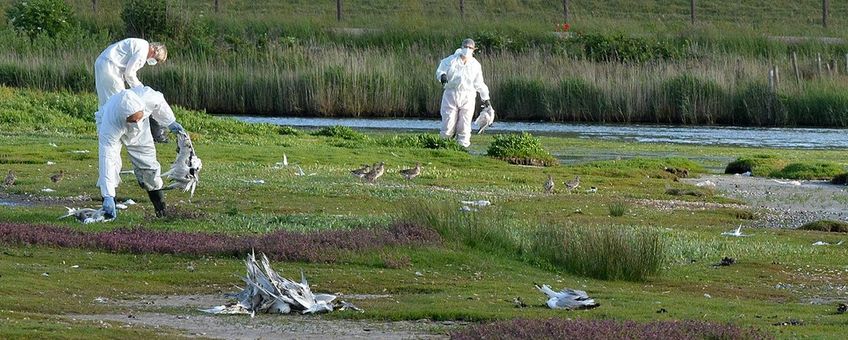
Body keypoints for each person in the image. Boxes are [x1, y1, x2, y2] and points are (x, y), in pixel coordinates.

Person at [96, 86, 185, 219]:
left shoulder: (147, 97)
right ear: (125, 117)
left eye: (138, 118)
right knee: (112, 166)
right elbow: (106, 157)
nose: (136, 123)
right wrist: (108, 194)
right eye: (133, 120)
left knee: (149, 166)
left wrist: (170, 121)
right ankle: (109, 207)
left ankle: (161, 209)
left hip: (142, 130)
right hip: (117, 130)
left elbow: (159, 103)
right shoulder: (109, 125)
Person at [95, 38, 169, 142]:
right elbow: (129, 74)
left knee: (106, 102)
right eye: (156, 60)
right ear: (154, 52)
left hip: (103, 63)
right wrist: (141, 90)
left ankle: (103, 132)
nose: (154, 62)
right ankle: (111, 134)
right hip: (111, 69)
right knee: (118, 103)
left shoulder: (140, 43)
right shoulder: (143, 52)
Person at [435, 38, 492, 148]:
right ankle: (444, 146)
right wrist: (442, 76)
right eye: (465, 47)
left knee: (465, 124)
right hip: (451, 94)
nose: (467, 49)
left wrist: (486, 99)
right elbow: (440, 70)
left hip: (468, 96)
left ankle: (462, 147)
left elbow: (479, 83)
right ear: (461, 47)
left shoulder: (475, 65)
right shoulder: (451, 61)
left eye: (470, 47)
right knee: (448, 123)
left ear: (473, 49)